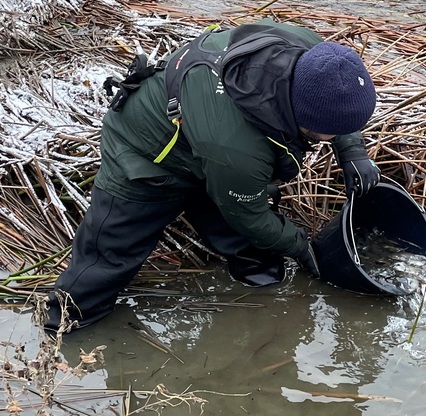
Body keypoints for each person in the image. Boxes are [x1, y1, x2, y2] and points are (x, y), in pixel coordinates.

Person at [44, 18, 380, 334]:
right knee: (108, 256)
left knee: (251, 237)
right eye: (334, 133)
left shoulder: (316, 56)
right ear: (306, 120)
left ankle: (260, 288)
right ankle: (65, 326)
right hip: (147, 151)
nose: (337, 137)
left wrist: (353, 151)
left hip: (210, 144)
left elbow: (334, 102)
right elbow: (250, 215)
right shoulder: (238, 150)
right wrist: (299, 244)